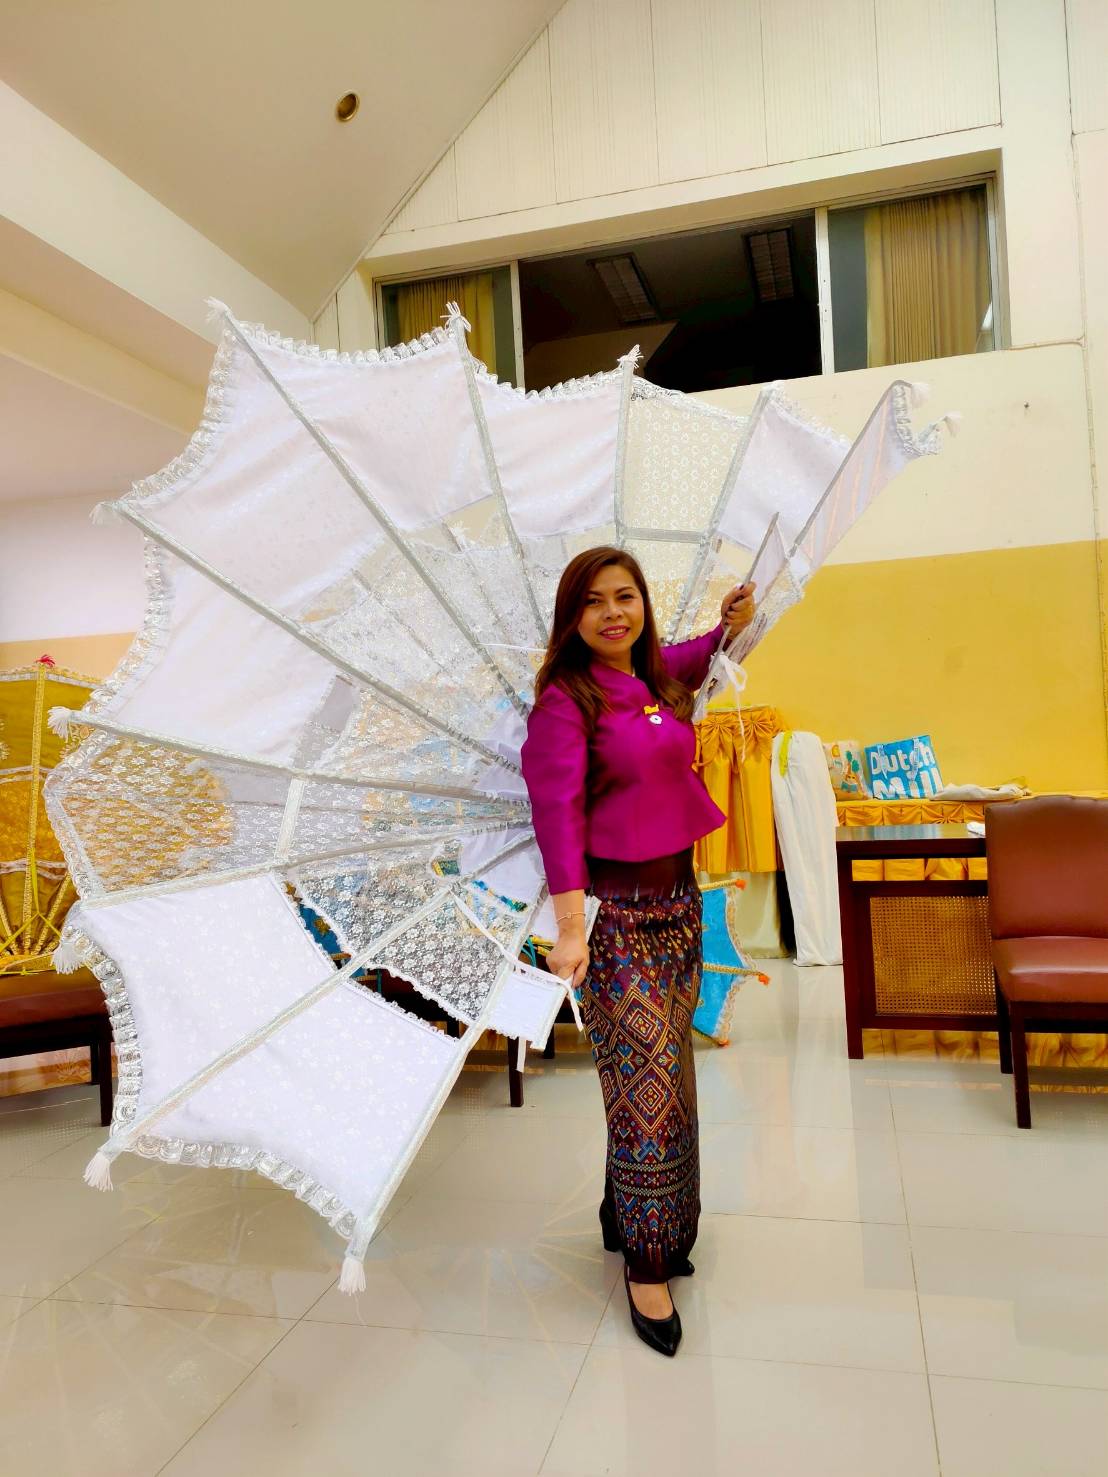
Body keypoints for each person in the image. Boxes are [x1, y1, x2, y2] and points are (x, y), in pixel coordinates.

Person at [520, 546, 755, 1356]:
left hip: (681, 908)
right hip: (615, 922)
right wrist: (570, 930)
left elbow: (700, 652)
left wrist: (729, 623)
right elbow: (555, 816)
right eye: (594, 601)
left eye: (625, 596)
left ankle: (634, 1216)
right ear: (572, 617)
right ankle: (647, 1265)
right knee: (645, 1084)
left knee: (670, 1079)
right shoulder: (564, 703)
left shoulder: (656, 676)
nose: (613, 612)